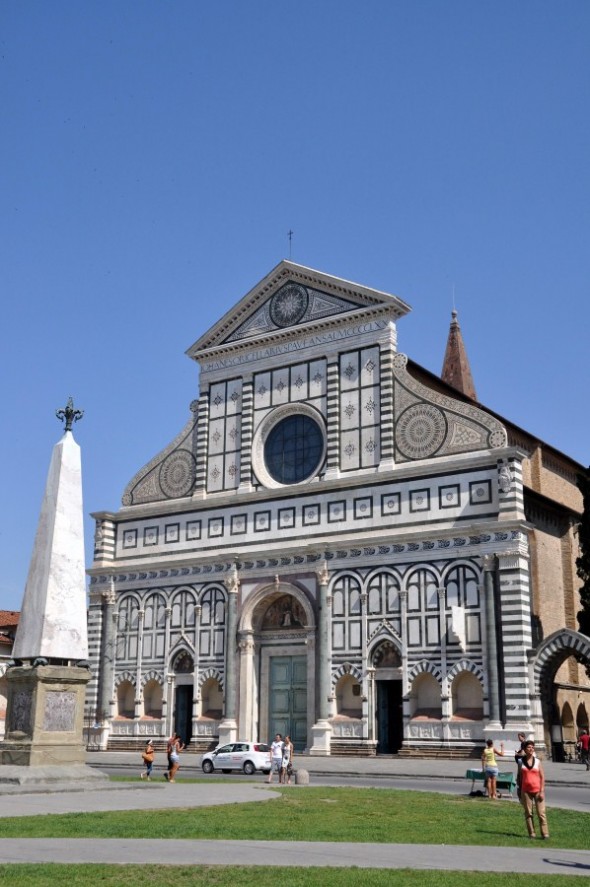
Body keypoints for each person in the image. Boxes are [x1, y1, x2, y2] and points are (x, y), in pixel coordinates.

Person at [517, 740, 549, 839]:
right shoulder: (520, 762)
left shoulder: (538, 762)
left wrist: (542, 791)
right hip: (525, 791)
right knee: (528, 813)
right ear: (525, 750)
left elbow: (542, 777)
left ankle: (545, 834)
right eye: (528, 747)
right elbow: (519, 777)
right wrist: (519, 790)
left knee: (541, 813)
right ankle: (532, 833)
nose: (531, 749)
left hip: (538, 790)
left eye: (532, 747)